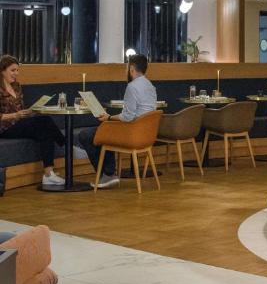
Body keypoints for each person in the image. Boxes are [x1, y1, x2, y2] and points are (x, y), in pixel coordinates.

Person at [77, 53, 158, 188]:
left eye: (126, 68)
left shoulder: (132, 87)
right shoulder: (150, 86)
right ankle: (109, 173)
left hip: (132, 135)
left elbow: (128, 117)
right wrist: (110, 119)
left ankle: (107, 175)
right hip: (146, 135)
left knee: (85, 135)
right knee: (105, 131)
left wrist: (108, 117)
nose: (126, 71)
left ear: (131, 68)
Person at [0, 55, 69, 188]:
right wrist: (16, 115)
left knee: (45, 132)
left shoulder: (17, 86)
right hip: (5, 127)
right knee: (45, 121)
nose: (16, 74)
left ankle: (48, 175)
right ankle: (66, 145)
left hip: (19, 122)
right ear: (2, 70)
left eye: (17, 70)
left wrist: (30, 111)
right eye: (13, 70)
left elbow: (21, 108)